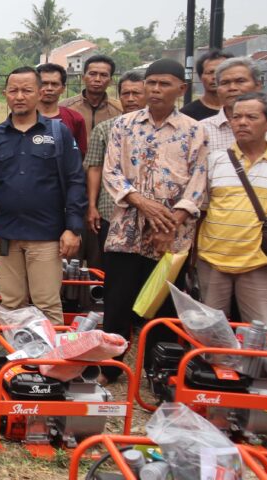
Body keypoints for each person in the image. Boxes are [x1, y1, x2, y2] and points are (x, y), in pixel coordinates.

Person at [101, 59, 207, 376]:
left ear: (181, 89)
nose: (156, 89)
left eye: (164, 84)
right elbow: (112, 172)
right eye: (152, 83)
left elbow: (199, 183)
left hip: (171, 237)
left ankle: (158, 371)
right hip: (126, 231)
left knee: (162, 307)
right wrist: (142, 203)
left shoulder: (194, 130)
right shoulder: (124, 125)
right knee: (117, 300)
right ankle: (110, 366)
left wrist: (171, 222)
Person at [0, 67, 86, 324]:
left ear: (38, 93)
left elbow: (75, 180)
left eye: (27, 90)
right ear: (5, 94)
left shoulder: (58, 133)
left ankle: (47, 363)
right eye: (13, 90)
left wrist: (73, 228)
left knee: (46, 303)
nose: (20, 96)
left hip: (47, 236)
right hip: (6, 236)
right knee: (12, 303)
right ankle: (16, 361)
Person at [196, 92, 267, 328]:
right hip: (212, 259)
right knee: (210, 335)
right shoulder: (214, 161)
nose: (242, 122)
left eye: (251, 117)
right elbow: (202, 209)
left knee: (258, 336)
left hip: (262, 263)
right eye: (236, 117)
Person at [83, 72, 146, 265]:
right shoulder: (104, 129)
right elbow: (94, 168)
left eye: (136, 93)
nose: (131, 98)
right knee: (111, 267)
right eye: (125, 93)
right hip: (110, 209)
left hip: (148, 212)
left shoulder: (158, 130)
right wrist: (92, 206)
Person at [201, 57, 267, 154]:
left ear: (258, 86)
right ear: (217, 90)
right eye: (225, 83)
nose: (232, 88)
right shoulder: (201, 130)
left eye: (240, 81)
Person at [36, 63, 88, 156]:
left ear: (63, 89)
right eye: (44, 84)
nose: (49, 88)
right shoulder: (24, 116)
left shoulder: (75, 119)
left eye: (55, 84)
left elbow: (80, 154)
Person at [59, 54, 122, 129]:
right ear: (83, 78)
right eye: (92, 74)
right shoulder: (63, 108)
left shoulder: (120, 110)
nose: (97, 79)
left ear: (110, 81)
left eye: (103, 75)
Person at [181, 50, 233, 121]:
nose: (215, 77)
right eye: (210, 72)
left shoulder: (243, 110)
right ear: (200, 77)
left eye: (220, 72)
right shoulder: (186, 115)